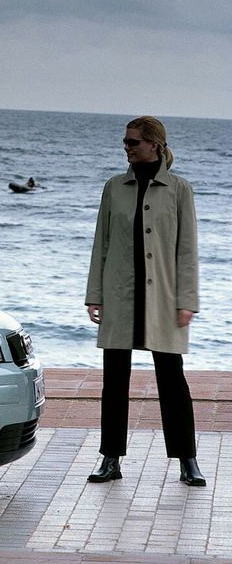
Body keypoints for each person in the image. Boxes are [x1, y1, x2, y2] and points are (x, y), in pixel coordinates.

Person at [84, 116, 204, 486]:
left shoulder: (179, 189)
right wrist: (95, 295)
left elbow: (187, 251)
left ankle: (187, 460)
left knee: (172, 380)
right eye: (126, 141)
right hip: (120, 295)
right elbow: (101, 243)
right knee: (114, 380)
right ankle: (110, 459)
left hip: (163, 298)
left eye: (134, 141)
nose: (127, 147)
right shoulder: (114, 187)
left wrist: (187, 300)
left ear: (154, 144)